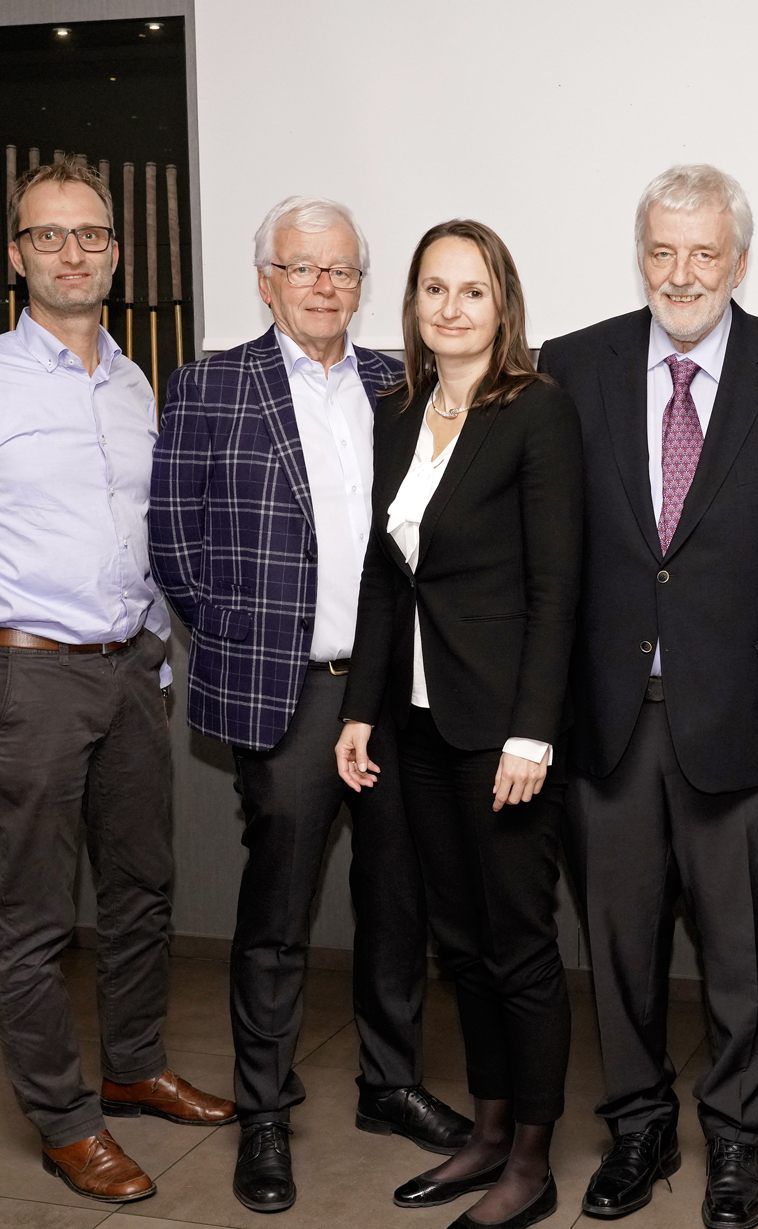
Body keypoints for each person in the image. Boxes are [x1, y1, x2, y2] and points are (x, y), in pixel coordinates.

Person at [537, 164, 758, 1229]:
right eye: (661, 251)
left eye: (703, 252)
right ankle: (634, 1124)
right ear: (641, 255)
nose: (681, 272)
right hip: (607, 718)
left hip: (744, 720)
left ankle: (734, 1138)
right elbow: (553, 556)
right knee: (617, 945)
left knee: (740, 950)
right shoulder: (569, 367)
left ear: (738, 260)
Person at [149, 196, 469, 1214]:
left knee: (395, 899)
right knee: (278, 914)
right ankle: (265, 1112)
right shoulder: (208, 387)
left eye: (342, 271)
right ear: (266, 279)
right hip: (284, 698)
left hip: (389, 697)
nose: (325, 285)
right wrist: (253, 644)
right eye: (304, 268)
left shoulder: (398, 383)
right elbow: (177, 547)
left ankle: (388, 1083)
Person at [334, 218, 582, 1229]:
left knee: (518, 941)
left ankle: (531, 1154)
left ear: (502, 305)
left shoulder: (535, 413)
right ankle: (485, 1128)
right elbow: (385, 580)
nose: (450, 308)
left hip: (501, 731)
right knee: (460, 940)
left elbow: (556, 585)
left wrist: (531, 733)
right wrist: (358, 712)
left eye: (470, 290)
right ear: (413, 304)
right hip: (416, 727)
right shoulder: (397, 412)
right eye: (433, 289)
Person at [0, 157, 235, 1205]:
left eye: (90, 234)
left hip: (134, 668)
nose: (71, 252)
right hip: (32, 676)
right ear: (16, 255)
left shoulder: (139, 380)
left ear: (116, 250)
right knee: (35, 916)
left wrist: (159, 642)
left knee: (142, 889)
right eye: (48, 235)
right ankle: (63, 1116)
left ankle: (133, 1065)